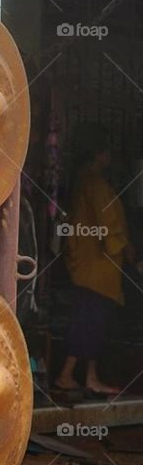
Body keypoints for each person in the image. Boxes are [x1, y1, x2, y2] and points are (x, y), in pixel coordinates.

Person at [55, 140, 135, 397]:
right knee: (89, 321)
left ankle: (89, 376)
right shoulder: (96, 185)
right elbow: (109, 225)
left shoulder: (83, 182)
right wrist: (126, 249)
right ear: (100, 154)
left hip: (87, 265)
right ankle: (67, 375)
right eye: (107, 151)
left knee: (91, 321)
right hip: (98, 267)